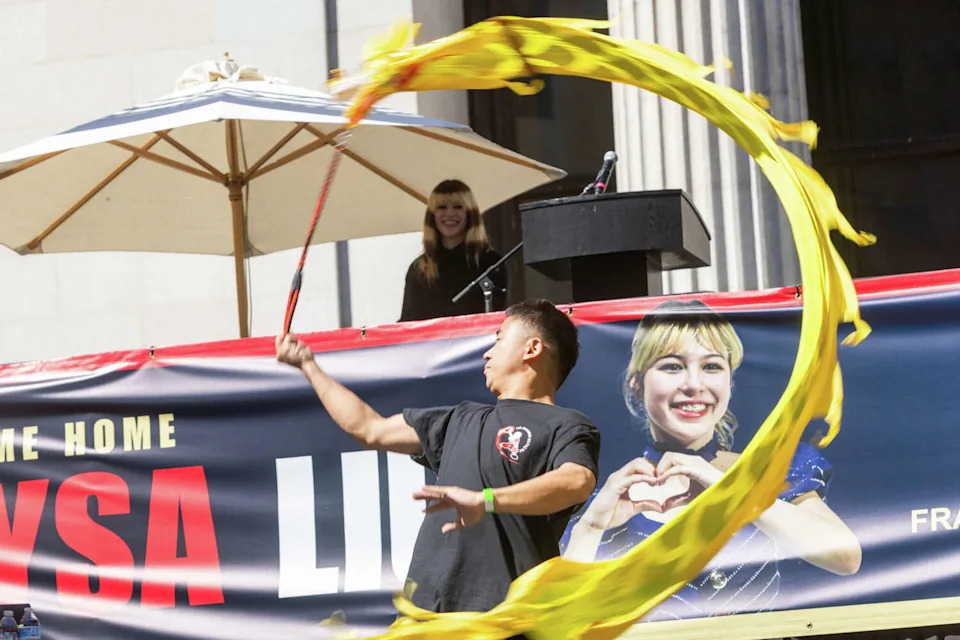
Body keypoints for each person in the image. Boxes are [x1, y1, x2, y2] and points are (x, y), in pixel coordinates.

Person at [276, 299, 600, 614]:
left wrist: (485, 500)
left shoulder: (568, 425)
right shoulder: (459, 419)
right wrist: (307, 363)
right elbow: (369, 429)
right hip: (429, 615)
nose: (487, 352)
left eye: (499, 340)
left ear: (532, 348)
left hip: (503, 620)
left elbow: (577, 480)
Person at [560, 299, 861, 620]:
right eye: (672, 366)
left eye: (712, 366)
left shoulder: (772, 468)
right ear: (636, 384)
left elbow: (845, 557)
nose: (693, 384)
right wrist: (591, 527)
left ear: (729, 383)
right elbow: (566, 617)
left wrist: (737, 493)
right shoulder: (610, 500)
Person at [399, 179, 506, 322]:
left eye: (458, 207)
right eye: (442, 207)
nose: (450, 213)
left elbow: (501, 319)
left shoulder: (491, 263)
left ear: (470, 214)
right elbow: (408, 323)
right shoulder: (419, 269)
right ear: (432, 216)